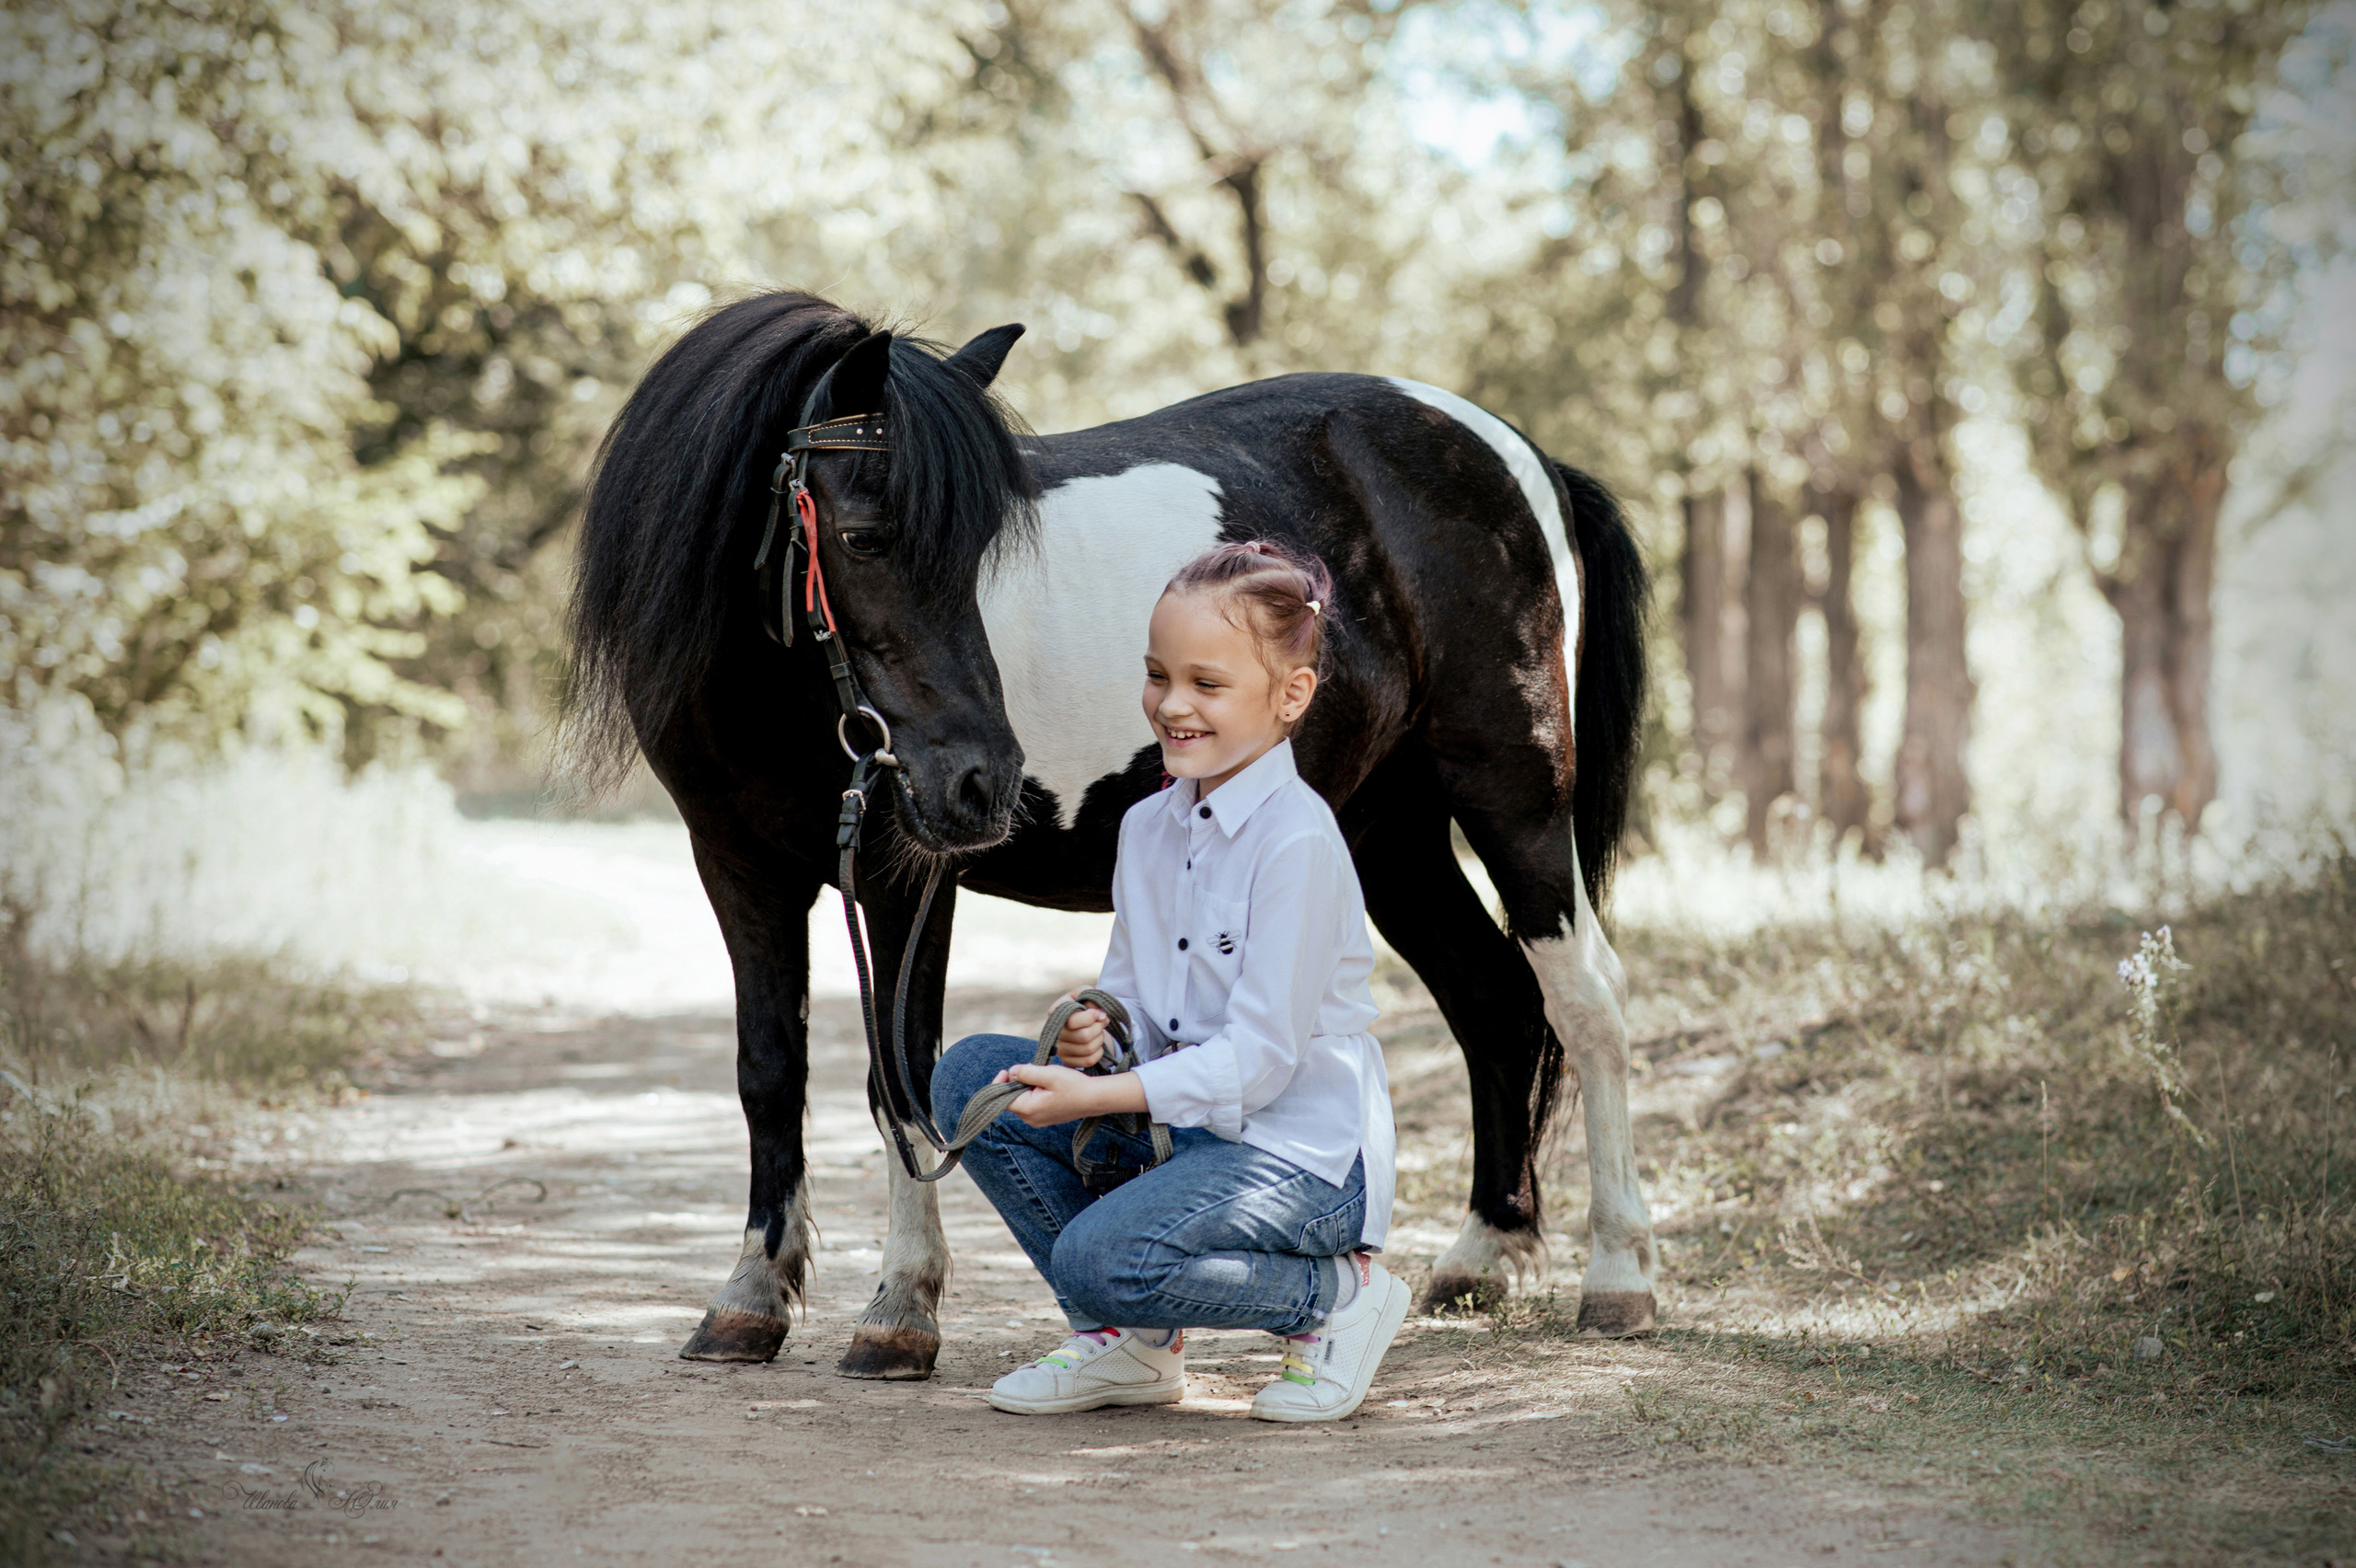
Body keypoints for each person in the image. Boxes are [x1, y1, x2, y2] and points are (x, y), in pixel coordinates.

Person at [930, 537, 1406, 1424]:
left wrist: (1092, 1100)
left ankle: (1335, 1298)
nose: (1172, 705)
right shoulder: (1148, 828)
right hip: (1181, 1132)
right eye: (1158, 676)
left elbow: (1260, 1063)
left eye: (1208, 684)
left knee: (1099, 1260)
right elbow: (1139, 999)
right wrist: (1097, 1029)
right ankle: (1134, 1348)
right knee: (969, 1079)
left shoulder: (1296, 845)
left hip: (1293, 1159)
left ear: (1290, 696)